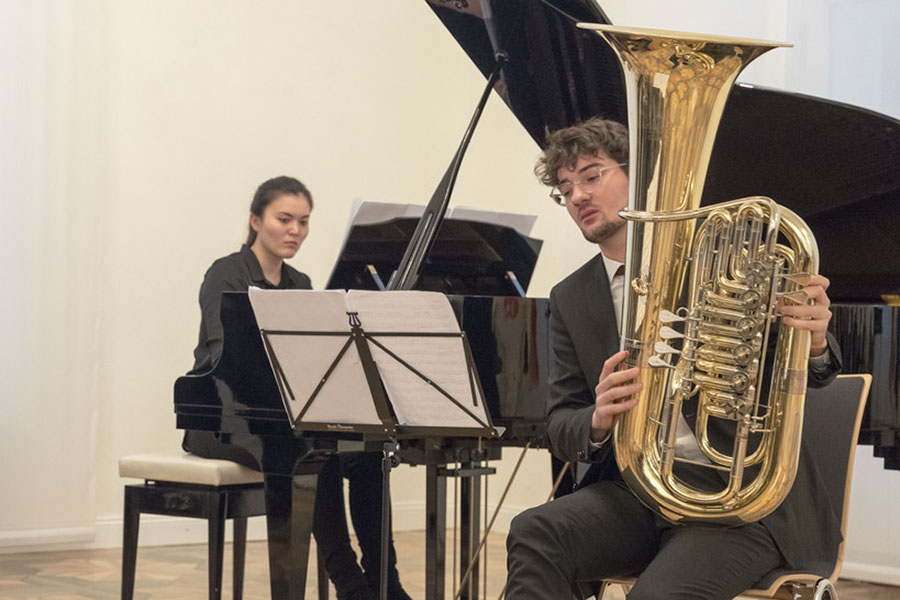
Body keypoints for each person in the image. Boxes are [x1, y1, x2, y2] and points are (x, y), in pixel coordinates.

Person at [505, 119, 843, 600]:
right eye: (565, 187)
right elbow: (561, 423)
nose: (577, 194)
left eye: (592, 175)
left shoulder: (730, 266)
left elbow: (816, 373)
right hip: (638, 495)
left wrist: (813, 342)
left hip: (739, 504)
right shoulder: (572, 296)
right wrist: (598, 418)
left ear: (638, 177)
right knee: (535, 530)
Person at [183, 176, 411, 600]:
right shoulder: (226, 274)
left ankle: (386, 582)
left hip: (283, 416)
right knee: (313, 453)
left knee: (368, 453)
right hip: (221, 419)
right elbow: (224, 355)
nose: (295, 231)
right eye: (284, 219)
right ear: (256, 220)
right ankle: (349, 583)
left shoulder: (300, 283)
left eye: (303, 222)